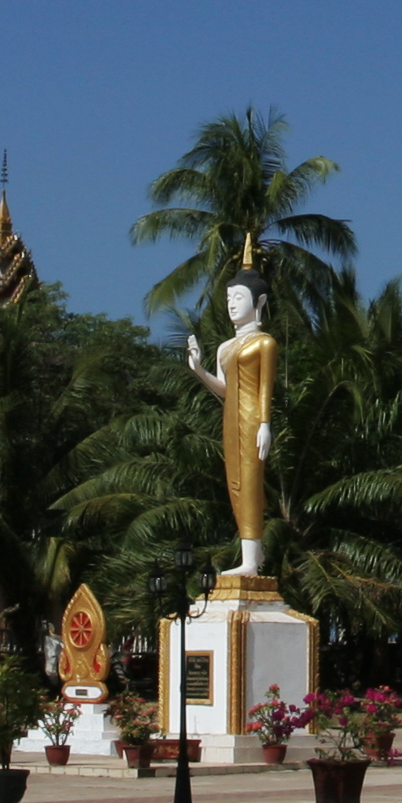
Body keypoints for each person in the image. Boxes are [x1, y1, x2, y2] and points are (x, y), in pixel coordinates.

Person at [182, 243, 278, 578]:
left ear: (259, 302)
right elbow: (225, 390)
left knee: (251, 482)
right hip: (231, 418)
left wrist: (265, 423)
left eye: (239, 298)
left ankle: (252, 561)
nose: (232, 305)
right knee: (235, 483)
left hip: (253, 419)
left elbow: (265, 387)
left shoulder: (264, 343)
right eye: (228, 299)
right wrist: (199, 370)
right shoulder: (225, 346)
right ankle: (252, 552)